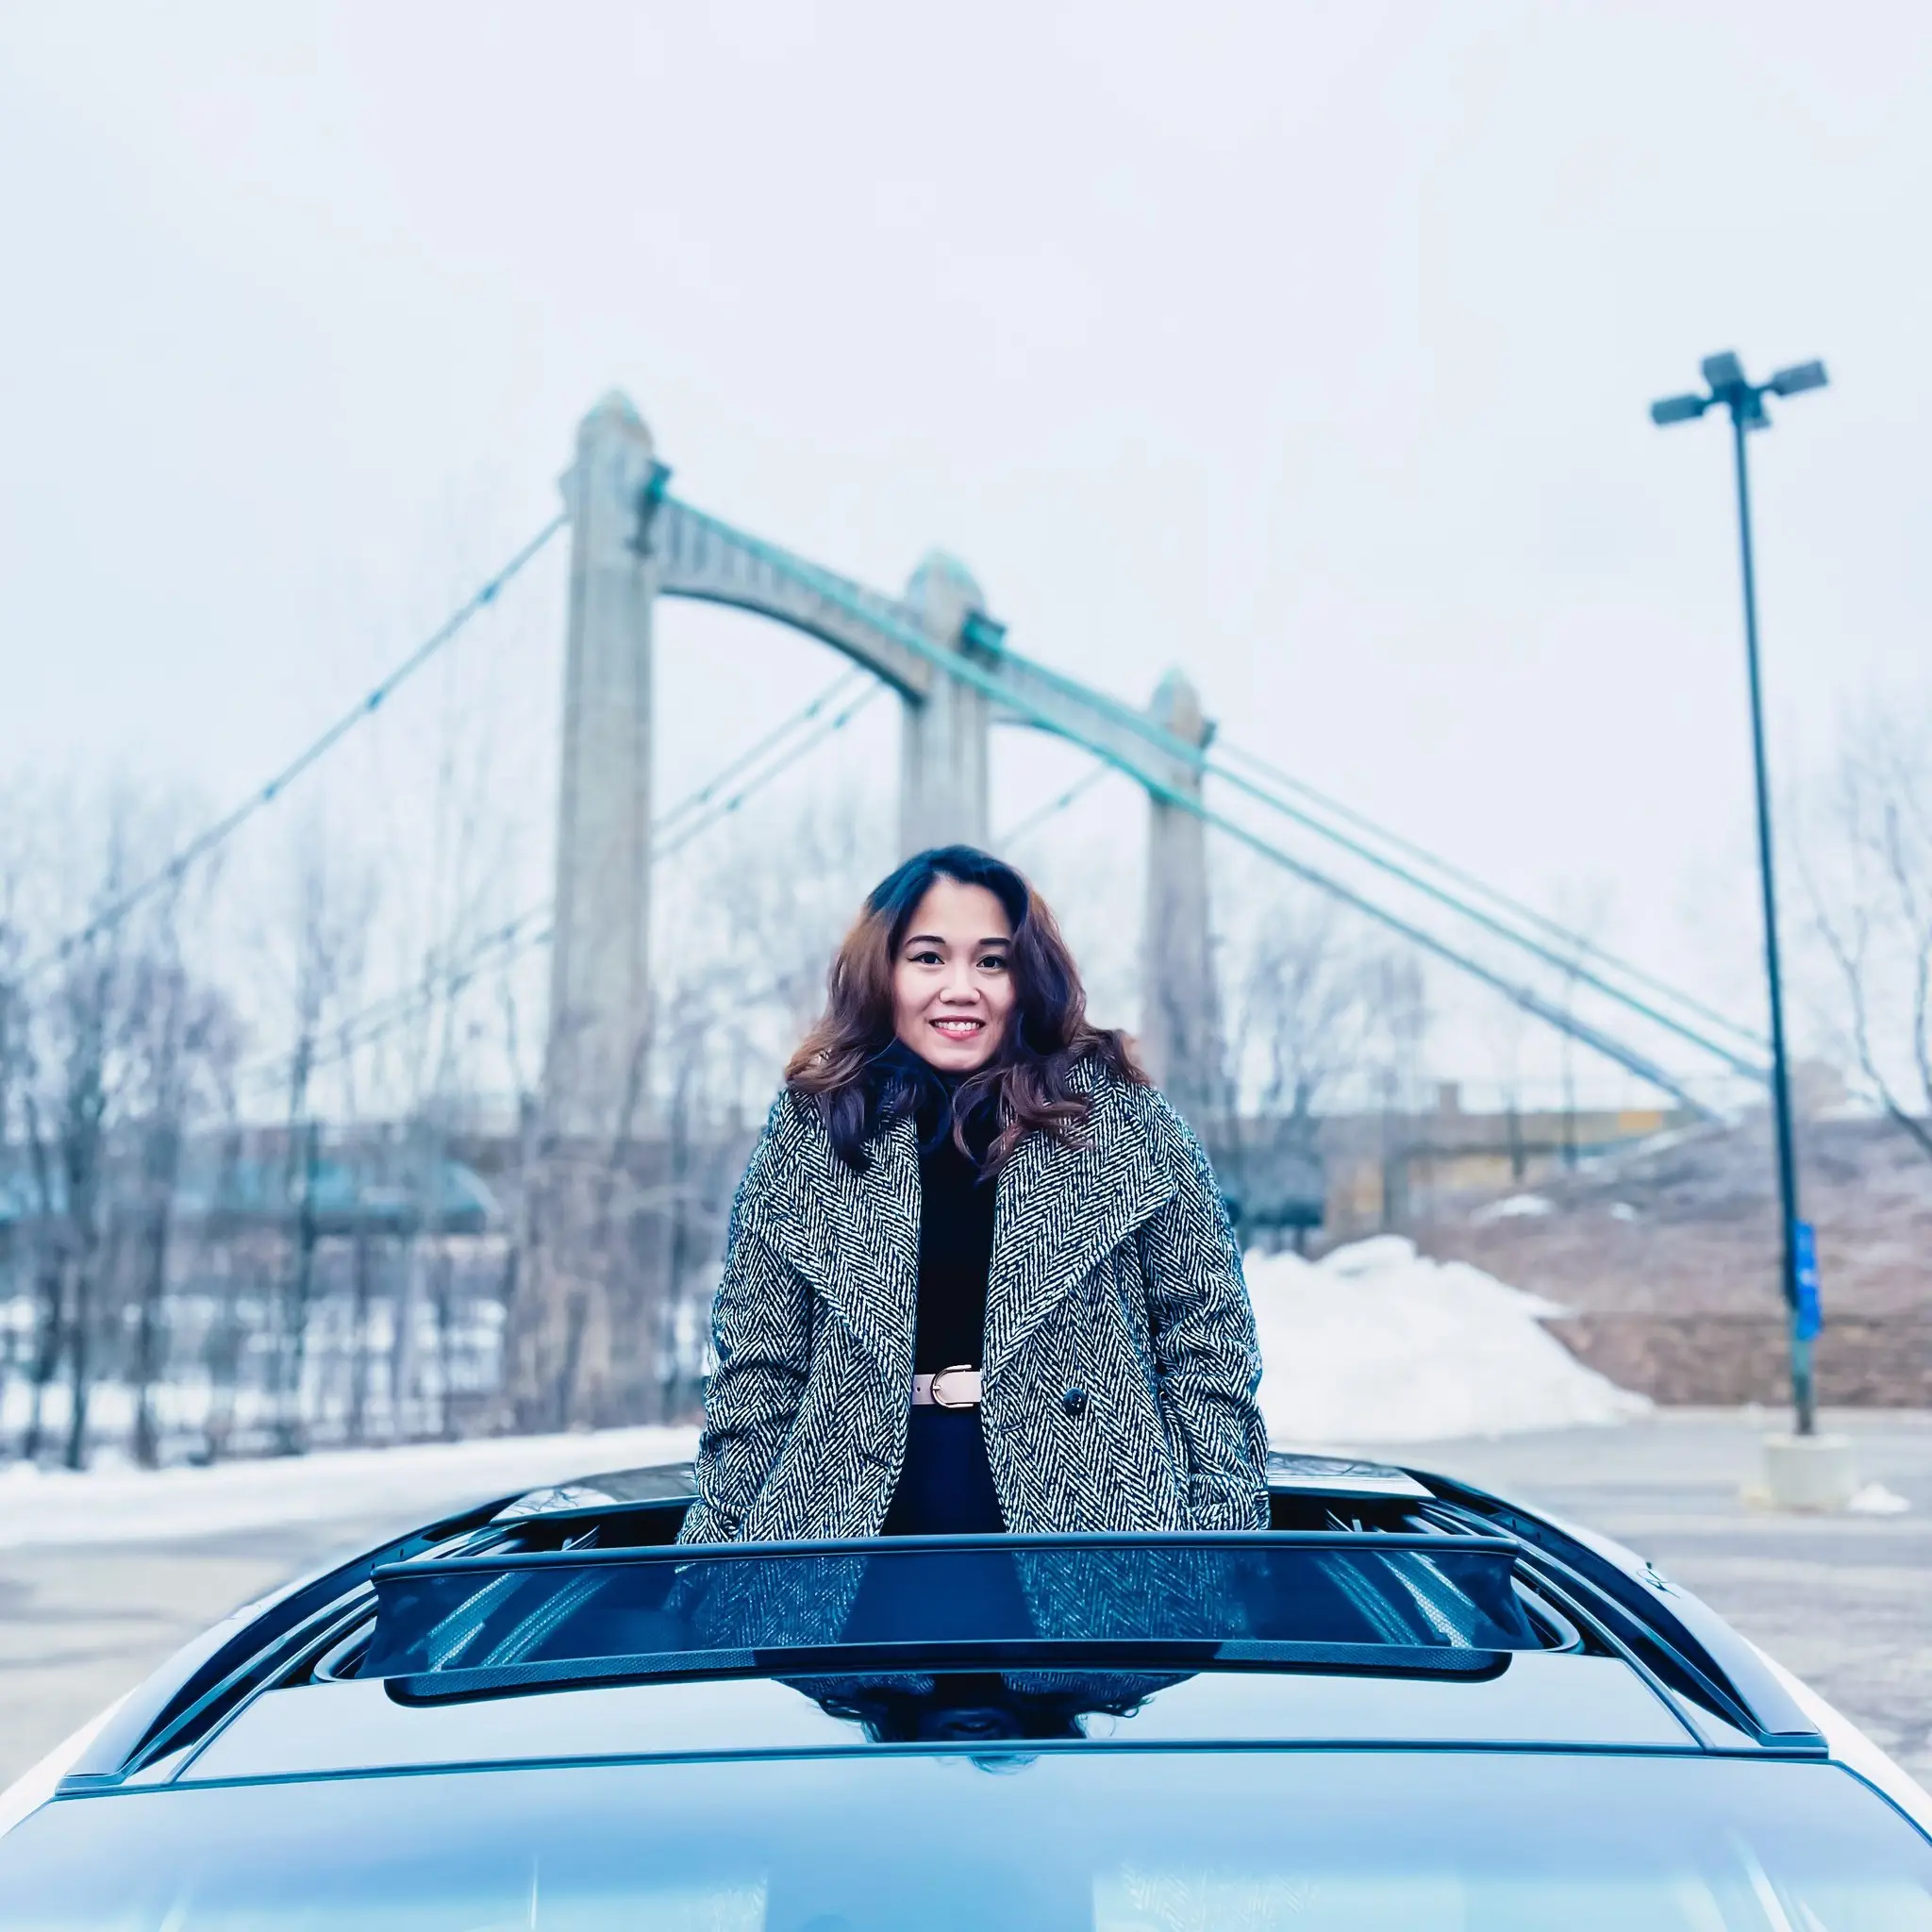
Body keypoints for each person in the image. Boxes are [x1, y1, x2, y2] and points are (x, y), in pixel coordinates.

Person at [676, 843, 1267, 1543]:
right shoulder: (812, 1134)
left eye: (992, 961)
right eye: (928, 958)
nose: (962, 987)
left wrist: (1222, 1527)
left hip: (1095, 1518)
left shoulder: (1125, 1122)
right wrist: (715, 1552)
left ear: (1028, 978)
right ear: (884, 972)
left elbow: (1208, 1338)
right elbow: (758, 1370)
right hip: (842, 1529)